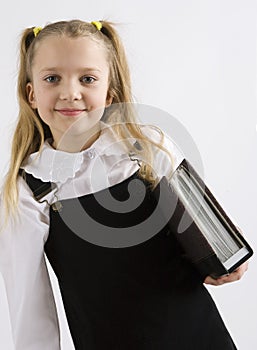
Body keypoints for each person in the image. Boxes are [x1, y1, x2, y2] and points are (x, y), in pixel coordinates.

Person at [0, 19, 248, 350]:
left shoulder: (149, 147)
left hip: (201, 337)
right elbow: (30, 314)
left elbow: (209, 233)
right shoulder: (29, 190)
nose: (70, 93)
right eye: (52, 78)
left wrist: (225, 263)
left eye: (87, 79)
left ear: (109, 93)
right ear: (31, 94)